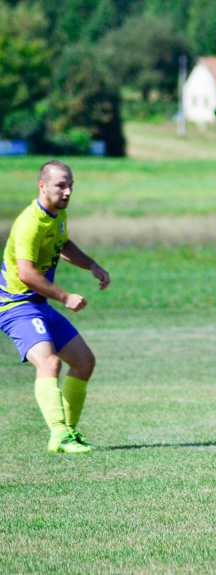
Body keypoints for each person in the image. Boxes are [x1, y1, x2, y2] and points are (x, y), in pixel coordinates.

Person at [1, 161, 110, 454]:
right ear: (43, 186)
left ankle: (69, 434)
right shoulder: (29, 223)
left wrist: (92, 265)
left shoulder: (57, 215)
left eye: (71, 184)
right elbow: (25, 274)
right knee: (50, 363)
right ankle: (58, 434)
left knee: (84, 361)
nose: (68, 191)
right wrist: (64, 297)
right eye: (61, 185)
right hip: (16, 305)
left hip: (38, 304)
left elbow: (64, 244)